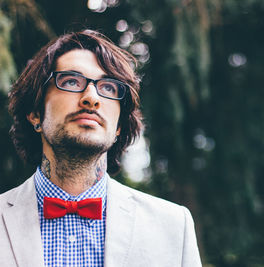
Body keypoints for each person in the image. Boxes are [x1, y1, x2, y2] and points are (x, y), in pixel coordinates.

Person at [0, 30, 202, 267]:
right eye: (71, 81)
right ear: (35, 114)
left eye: (108, 88)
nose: (91, 98)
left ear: (118, 127)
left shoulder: (173, 227)